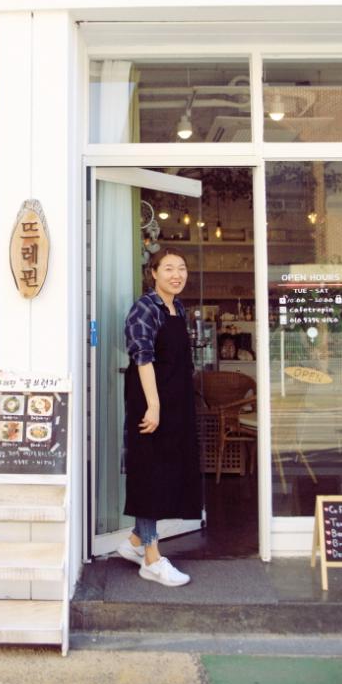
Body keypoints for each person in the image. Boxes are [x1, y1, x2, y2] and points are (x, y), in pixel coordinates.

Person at [117, 247, 202, 587]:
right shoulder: (145, 308)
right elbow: (143, 359)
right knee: (150, 475)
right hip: (150, 403)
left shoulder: (177, 308)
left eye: (181, 268)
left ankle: (134, 542)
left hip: (175, 403)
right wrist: (153, 406)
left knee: (168, 472)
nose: (176, 275)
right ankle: (151, 559)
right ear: (153, 273)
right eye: (168, 268)